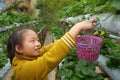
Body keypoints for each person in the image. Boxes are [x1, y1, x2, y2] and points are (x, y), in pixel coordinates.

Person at [7, 20, 94, 80]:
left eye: (37, 40)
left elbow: (48, 49)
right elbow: (48, 60)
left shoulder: (28, 56)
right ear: (19, 48)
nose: (38, 44)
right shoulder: (23, 71)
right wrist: (78, 27)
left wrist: (73, 38)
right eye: (32, 41)